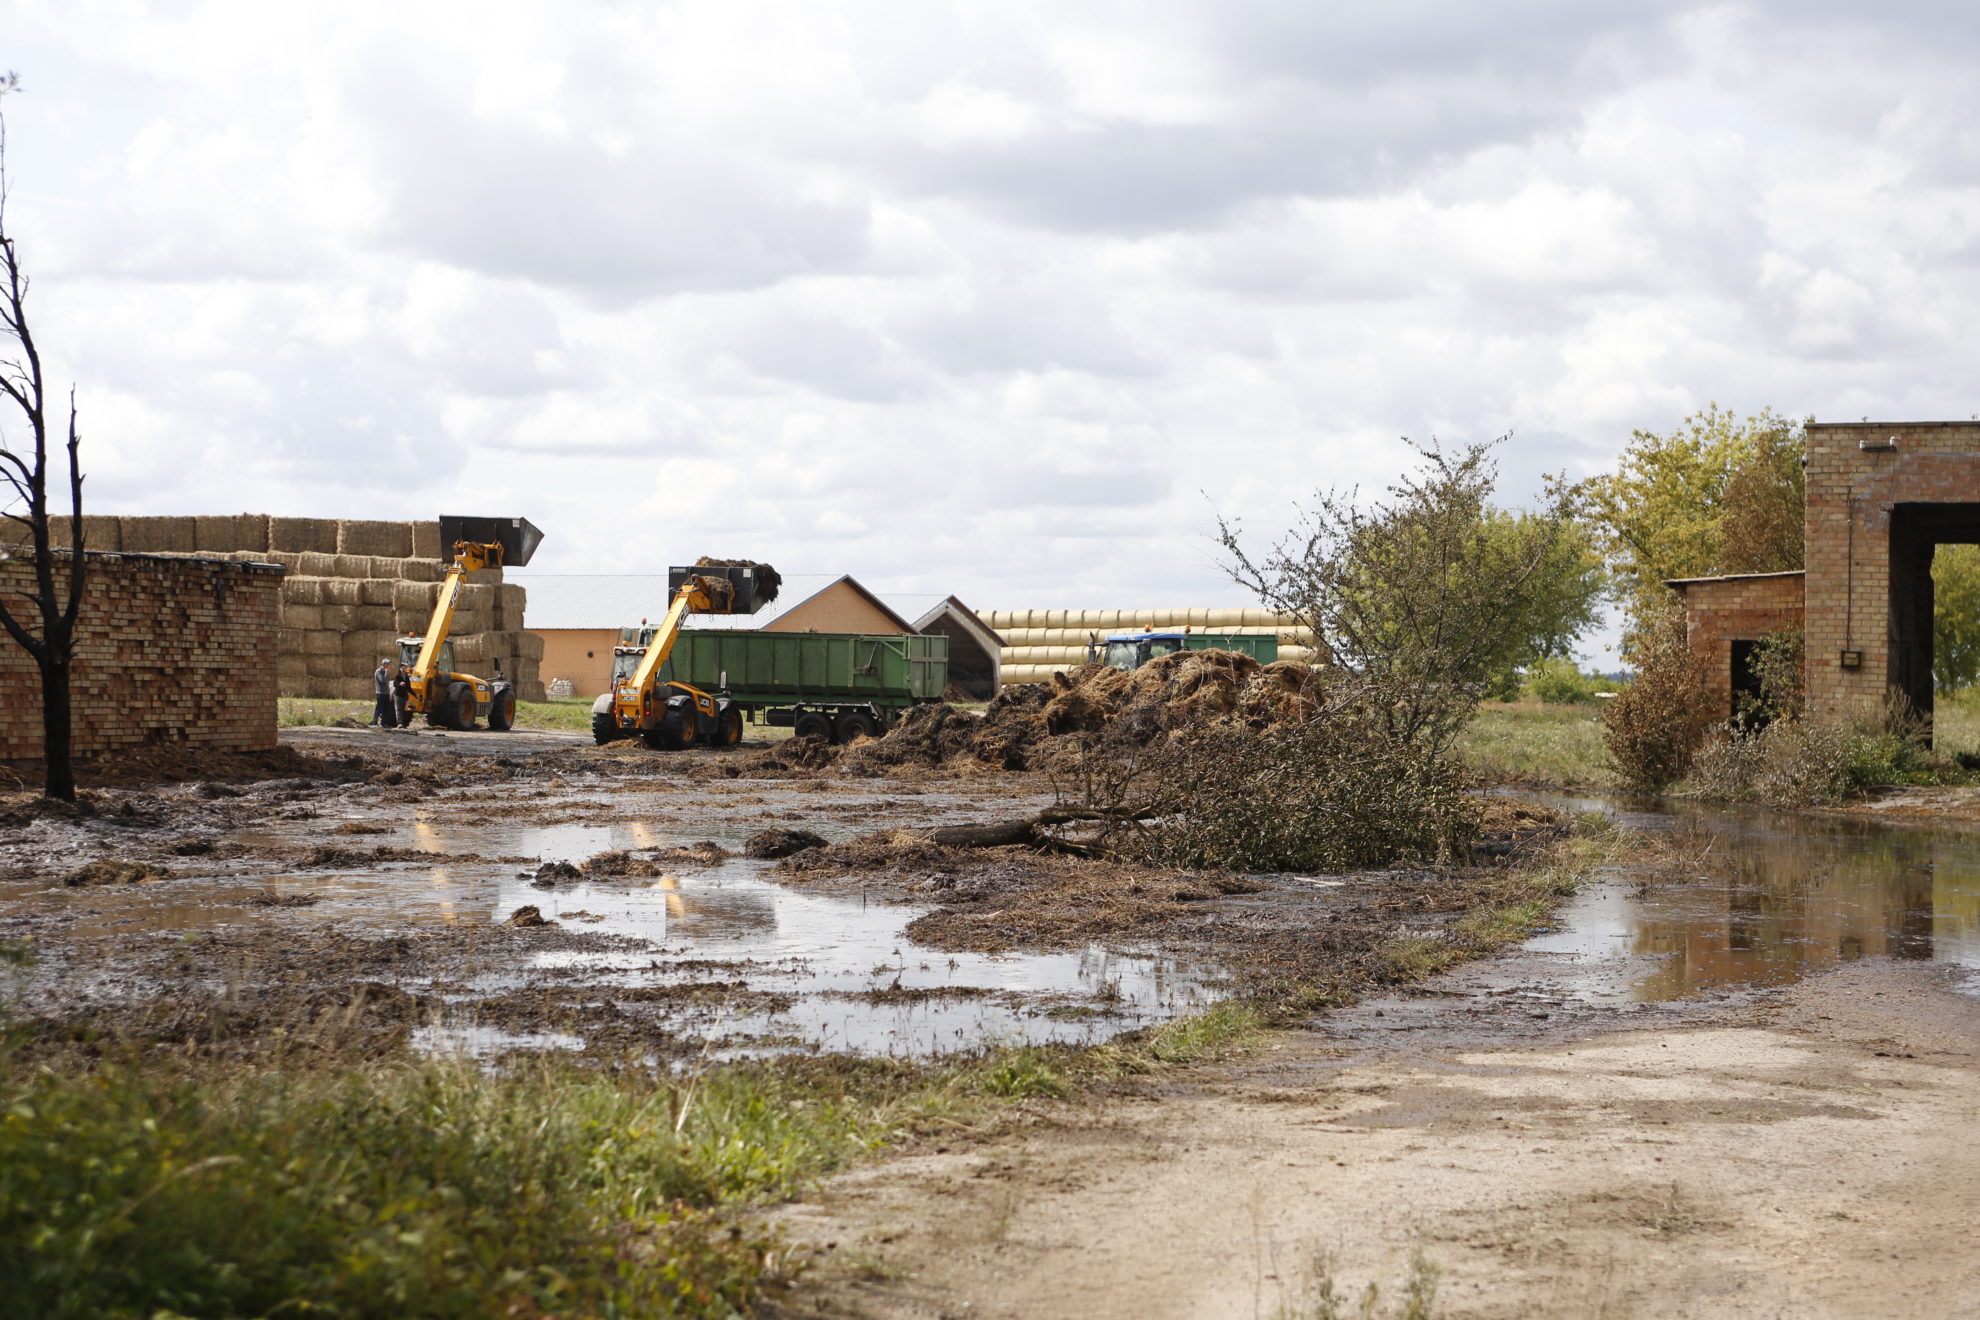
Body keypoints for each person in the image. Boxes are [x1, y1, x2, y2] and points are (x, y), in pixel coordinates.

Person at [370, 657, 396, 728]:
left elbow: (388, 681)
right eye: (387, 664)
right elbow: (383, 681)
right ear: (383, 664)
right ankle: (374, 722)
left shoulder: (384, 672)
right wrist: (386, 673)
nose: (388, 665)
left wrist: (386, 673)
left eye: (389, 664)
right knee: (379, 708)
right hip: (380, 693)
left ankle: (383, 723)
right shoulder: (378, 672)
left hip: (386, 693)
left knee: (385, 709)